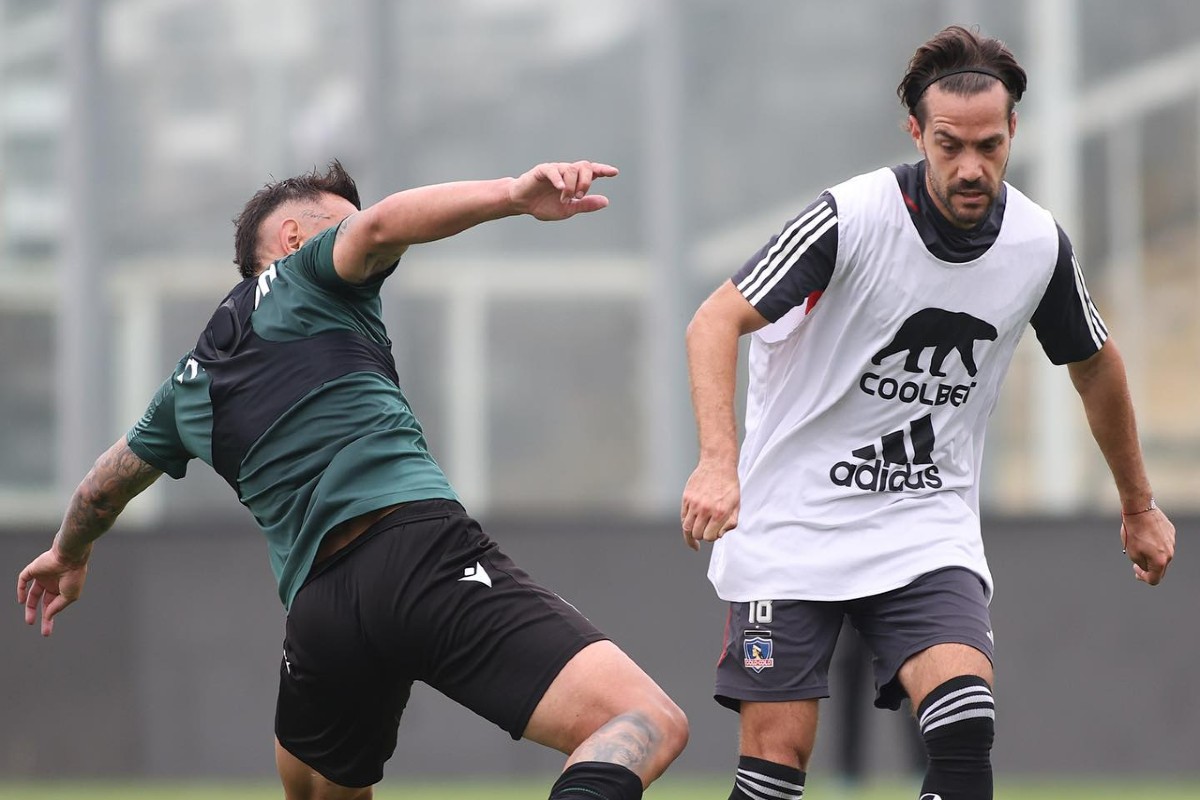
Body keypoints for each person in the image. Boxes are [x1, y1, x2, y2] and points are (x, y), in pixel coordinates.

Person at [18, 159, 688, 800]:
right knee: (642, 720)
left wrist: (68, 553)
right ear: (293, 237)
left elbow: (104, 486)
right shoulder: (308, 276)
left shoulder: (185, 390)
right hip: (419, 553)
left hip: (320, 614)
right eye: (339, 227)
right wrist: (514, 193)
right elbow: (380, 226)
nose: (367, 259)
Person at [679, 25, 1176, 800]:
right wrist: (717, 458)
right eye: (950, 145)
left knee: (965, 719)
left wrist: (1138, 505)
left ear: (1014, 129)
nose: (971, 167)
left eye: (988, 144)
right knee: (775, 767)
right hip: (791, 519)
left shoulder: (1038, 245)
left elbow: (1096, 363)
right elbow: (714, 319)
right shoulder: (850, 218)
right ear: (917, 132)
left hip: (922, 522)